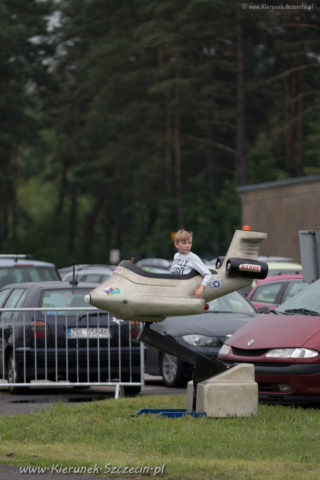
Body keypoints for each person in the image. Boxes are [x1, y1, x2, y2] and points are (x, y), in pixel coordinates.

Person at [170, 229, 212, 298]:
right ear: (176, 244)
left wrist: (201, 288)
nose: (187, 246)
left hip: (186, 292)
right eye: (184, 243)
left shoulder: (193, 257)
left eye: (189, 243)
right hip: (175, 291)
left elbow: (208, 274)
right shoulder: (176, 256)